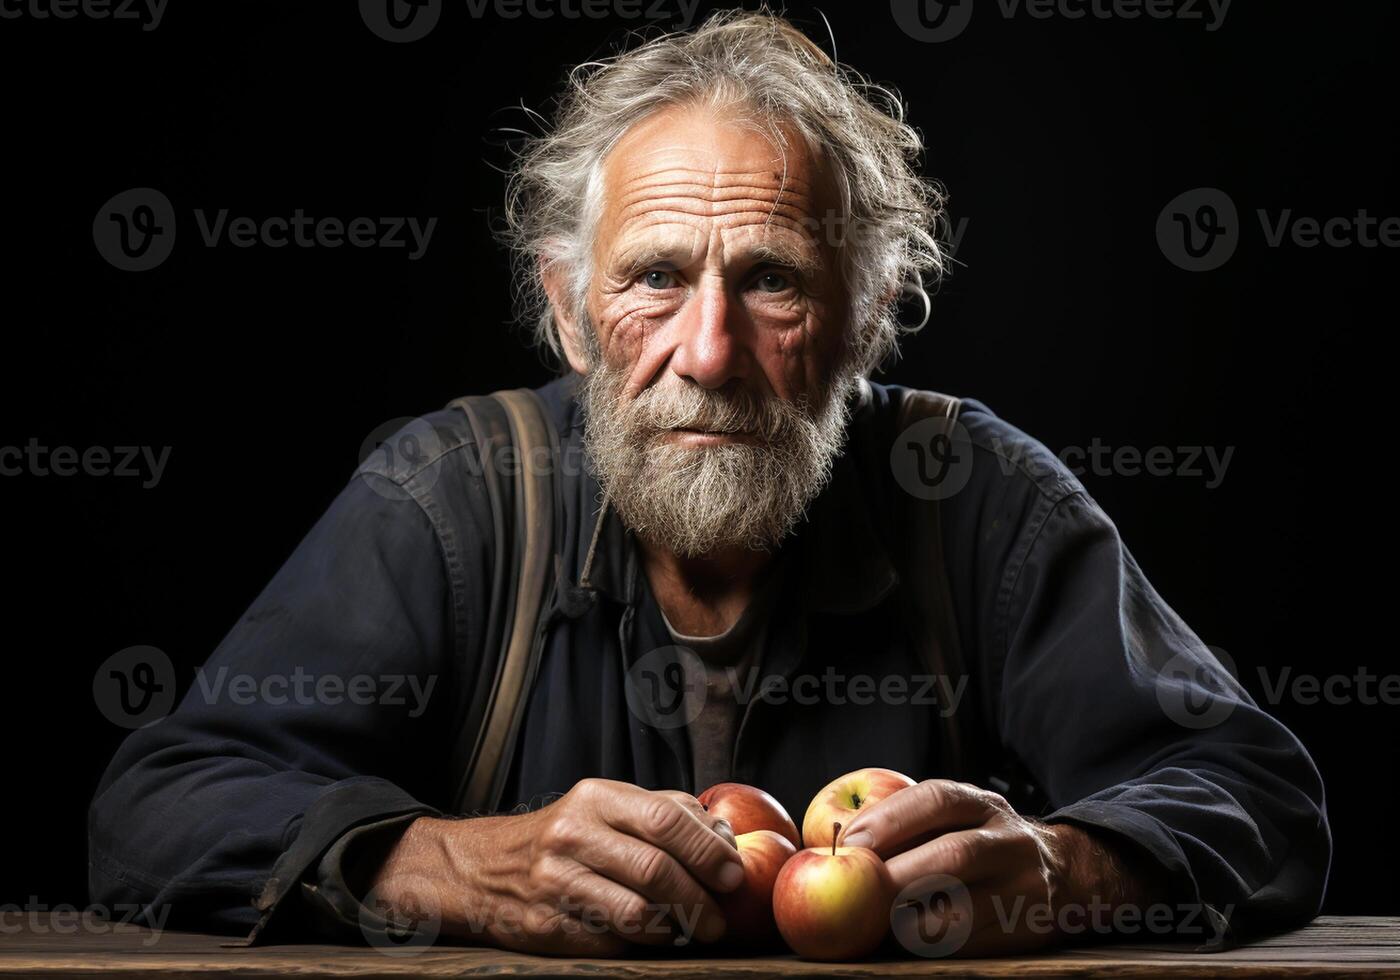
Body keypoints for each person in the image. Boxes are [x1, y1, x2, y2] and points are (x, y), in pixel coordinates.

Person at [89, 8, 1329, 958]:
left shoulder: (976, 496)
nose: (708, 352)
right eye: (653, 279)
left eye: (773, 281)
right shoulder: (452, 494)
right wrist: (446, 865)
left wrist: (1060, 870)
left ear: (870, 315)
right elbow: (155, 809)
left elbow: (1257, 798)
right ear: (570, 313)